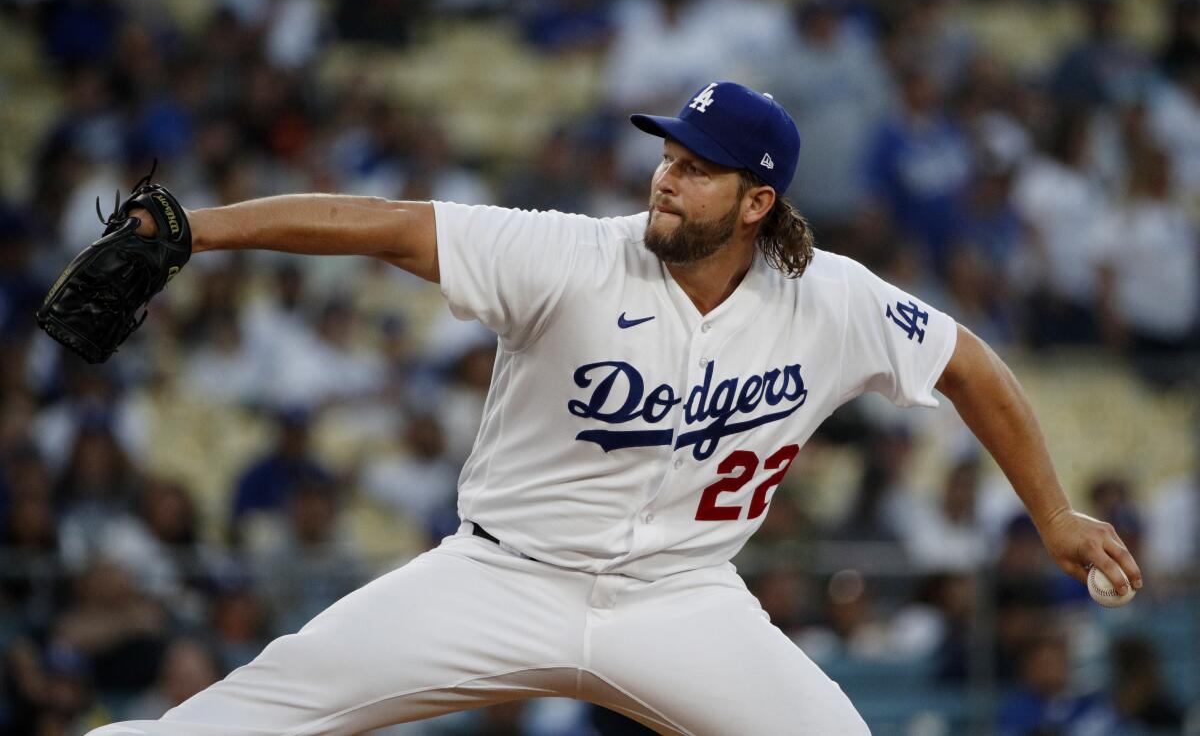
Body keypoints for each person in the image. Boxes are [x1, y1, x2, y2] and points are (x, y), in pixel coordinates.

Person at [89, 81, 1141, 735]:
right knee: (249, 716)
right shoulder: (575, 253)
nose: (666, 179)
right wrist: (197, 229)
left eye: (697, 168)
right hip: (500, 572)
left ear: (758, 201)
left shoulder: (834, 300)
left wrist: (1052, 512)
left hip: (683, 598)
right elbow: (385, 224)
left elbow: (970, 362)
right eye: (668, 156)